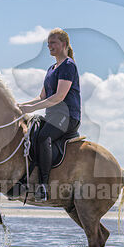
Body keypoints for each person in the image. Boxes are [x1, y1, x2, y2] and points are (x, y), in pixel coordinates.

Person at [17, 28, 81, 201]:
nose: (50, 46)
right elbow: (42, 97)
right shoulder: (51, 68)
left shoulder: (68, 65)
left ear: (64, 44)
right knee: (32, 133)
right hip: (54, 117)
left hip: (68, 116)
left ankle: (43, 185)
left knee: (44, 136)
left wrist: (31, 109)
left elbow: (59, 97)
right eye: (48, 44)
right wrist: (20, 106)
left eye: (53, 43)